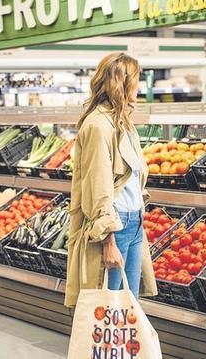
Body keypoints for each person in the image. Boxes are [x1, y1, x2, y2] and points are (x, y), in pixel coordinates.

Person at [64, 52, 157, 309]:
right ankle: (103, 351)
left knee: (128, 307)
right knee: (106, 309)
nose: (139, 86)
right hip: (115, 227)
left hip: (134, 222)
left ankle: (123, 351)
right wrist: (108, 241)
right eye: (135, 79)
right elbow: (99, 186)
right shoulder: (98, 126)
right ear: (122, 83)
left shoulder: (123, 123)